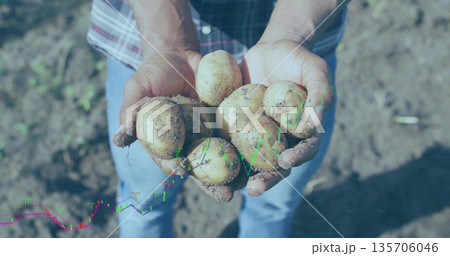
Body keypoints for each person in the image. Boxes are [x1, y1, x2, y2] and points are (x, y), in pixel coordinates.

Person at [87, 0, 349, 238]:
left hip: (297, 51)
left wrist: (293, 34)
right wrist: (167, 44)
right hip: (148, 40)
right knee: (143, 200)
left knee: (276, 201)